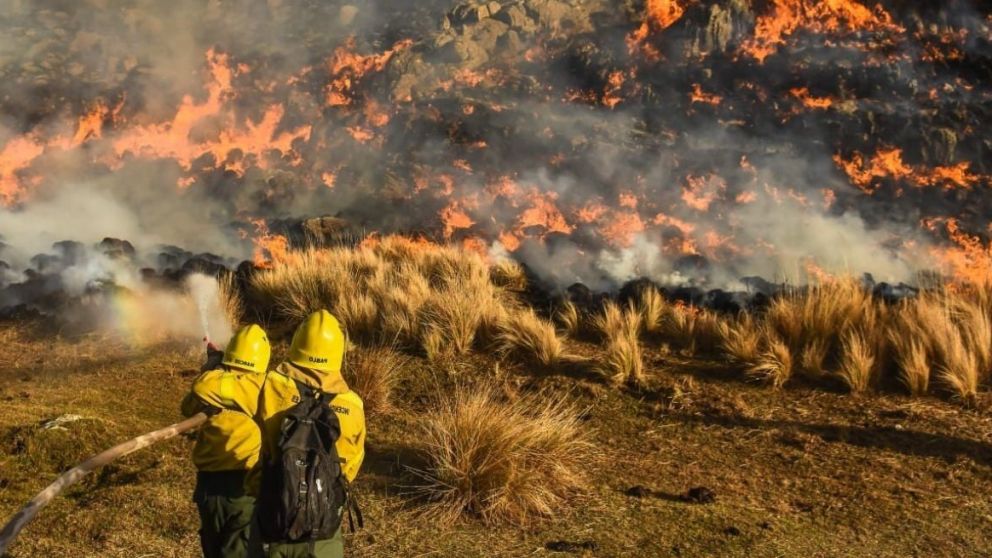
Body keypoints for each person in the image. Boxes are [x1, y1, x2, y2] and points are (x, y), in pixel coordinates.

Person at [254, 309, 366, 558]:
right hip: (324, 529)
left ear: (297, 344)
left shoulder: (270, 385)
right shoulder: (353, 405)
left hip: (273, 522)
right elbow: (350, 467)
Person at [181, 324, 272, 558]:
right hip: (243, 485)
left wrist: (214, 368)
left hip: (215, 485)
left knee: (220, 546)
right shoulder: (266, 386)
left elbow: (200, 389)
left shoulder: (214, 384)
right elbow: (188, 407)